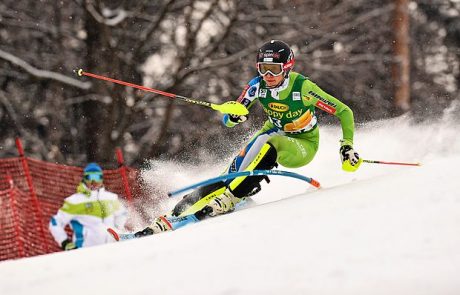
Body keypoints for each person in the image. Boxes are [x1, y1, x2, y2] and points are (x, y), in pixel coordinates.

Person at [134, 40, 362, 237]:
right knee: (230, 173)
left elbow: (344, 112)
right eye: (263, 69)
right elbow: (230, 120)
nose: (268, 76)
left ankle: (232, 198)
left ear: (287, 67)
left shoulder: (303, 88)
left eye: (274, 69)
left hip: (303, 144)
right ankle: (177, 212)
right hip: (271, 134)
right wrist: (234, 116)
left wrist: (347, 146)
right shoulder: (256, 86)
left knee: (270, 144)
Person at [49, 163, 127, 250]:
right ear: (84, 179)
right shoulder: (74, 201)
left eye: (97, 177)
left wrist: (117, 228)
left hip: (111, 249)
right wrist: (65, 242)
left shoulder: (111, 198)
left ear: (101, 179)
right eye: (89, 177)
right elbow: (55, 222)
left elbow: (122, 213)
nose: (93, 182)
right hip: (85, 251)